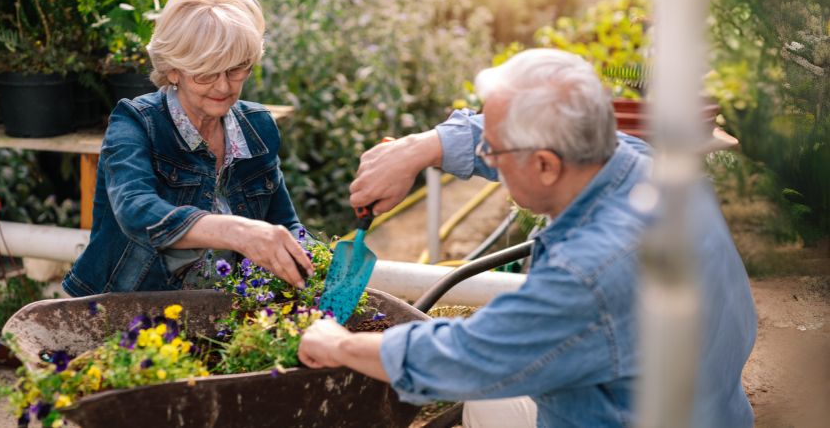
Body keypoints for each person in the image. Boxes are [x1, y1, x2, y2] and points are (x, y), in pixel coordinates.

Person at [298, 49, 756, 427]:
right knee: (490, 405)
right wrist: (421, 148)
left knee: (483, 392)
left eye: (492, 151)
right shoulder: (642, 163)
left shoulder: (589, 273)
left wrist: (335, 343)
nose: (485, 158)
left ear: (545, 165)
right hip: (702, 404)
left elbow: (464, 359)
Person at [63, 0, 313, 297]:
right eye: (206, 73)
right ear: (173, 71)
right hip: (126, 310)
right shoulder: (136, 122)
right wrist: (237, 232)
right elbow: (136, 210)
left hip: (218, 316)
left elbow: (286, 223)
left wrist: (319, 264)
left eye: (236, 70)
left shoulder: (257, 126)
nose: (223, 87)